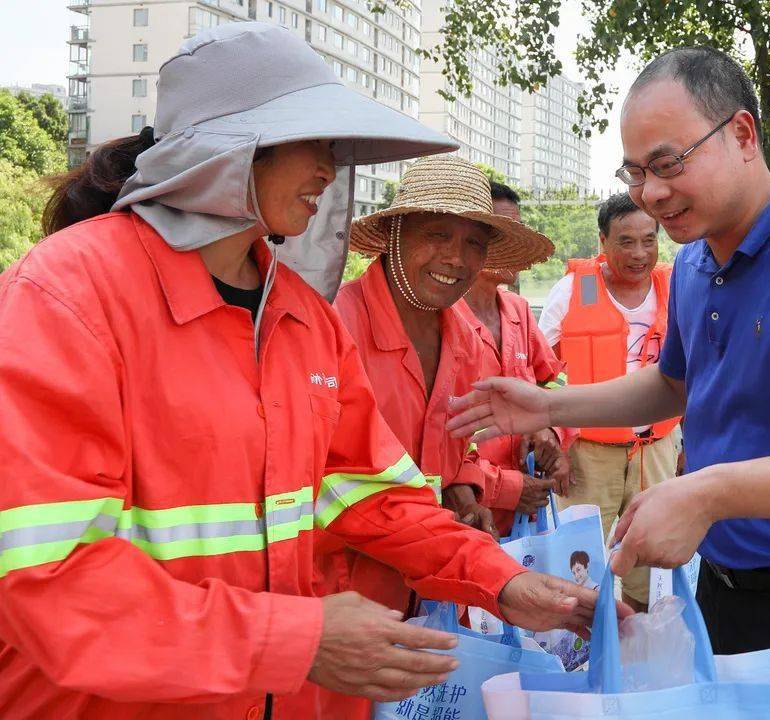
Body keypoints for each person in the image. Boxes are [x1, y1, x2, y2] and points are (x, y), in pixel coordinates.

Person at [0, 24, 606, 720]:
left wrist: (502, 582)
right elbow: (51, 580)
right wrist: (298, 638)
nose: (328, 169)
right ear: (226, 146)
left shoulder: (302, 321)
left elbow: (373, 494)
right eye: (310, 142)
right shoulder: (66, 298)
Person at [448, 46, 770, 719]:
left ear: (742, 135)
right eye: (637, 172)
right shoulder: (696, 266)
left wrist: (709, 493)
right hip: (721, 588)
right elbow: (673, 384)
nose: (651, 193)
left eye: (668, 164)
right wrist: (547, 401)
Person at [328, 156, 558, 628]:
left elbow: (461, 443)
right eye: (437, 235)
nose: (456, 258)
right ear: (395, 233)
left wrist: (464, 491)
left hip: (439, 585)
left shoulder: (465, 338)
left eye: (474, 243)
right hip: (343, 594)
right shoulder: (334, 325)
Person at [537, 191, 682, 612]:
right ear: (603, 242)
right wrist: (556, 440)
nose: (640, 254)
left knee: (652, 566)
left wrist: (687, 444)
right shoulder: (572, 290)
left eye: (649, 240)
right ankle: (581, 659)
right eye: (626, 241)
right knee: (577, 566)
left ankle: (640, 652)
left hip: (655, 450)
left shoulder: (676, 286)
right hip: (587, 456)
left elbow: (697, 367)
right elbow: (542, 371)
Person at [460, 181, 574, 536]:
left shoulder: (519, 311)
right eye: (497, 235)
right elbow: (429, 436)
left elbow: (555, 379)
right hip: (470, 509)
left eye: (516, 233)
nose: (512, 248)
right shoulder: (439, 320)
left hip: (526, 509)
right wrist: (503, 487)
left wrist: (550, 431)